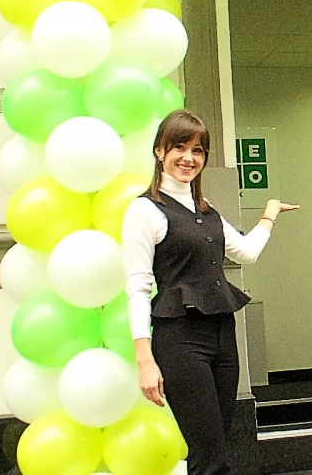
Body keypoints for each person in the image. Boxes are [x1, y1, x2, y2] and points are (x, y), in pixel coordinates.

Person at [122, 110, 298, 475]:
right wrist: (145, 361)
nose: (189, 158)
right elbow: (137, 288)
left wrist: (269, 214)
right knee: (210, 456)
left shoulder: (208, 212)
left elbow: (246, 252)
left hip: (222, 335)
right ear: (159, 151)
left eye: (198, 151)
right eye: (179, 148)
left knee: (216, 448)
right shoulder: (144, 211)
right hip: (180, 340)